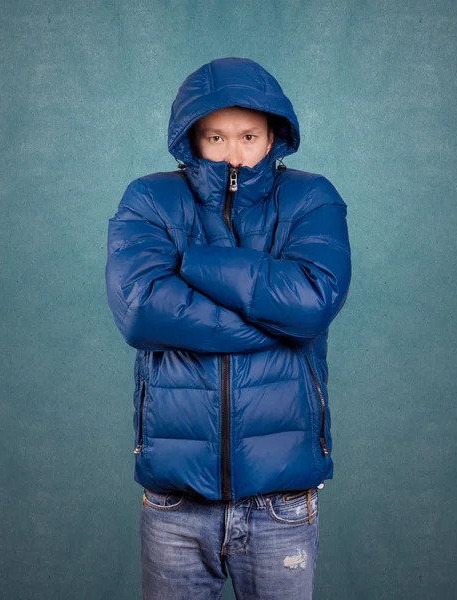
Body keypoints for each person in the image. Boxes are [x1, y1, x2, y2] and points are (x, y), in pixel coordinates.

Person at [105, 57, 352, 599]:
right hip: (176, 502)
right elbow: (142, 310)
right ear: (192, 137)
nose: (232, 152)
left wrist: (192, 263)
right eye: (215, 136)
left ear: (273, 137)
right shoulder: (149, 199)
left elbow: (311, 303)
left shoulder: (312, 198)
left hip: (283, 500)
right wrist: (275, 321)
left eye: (248, 135)